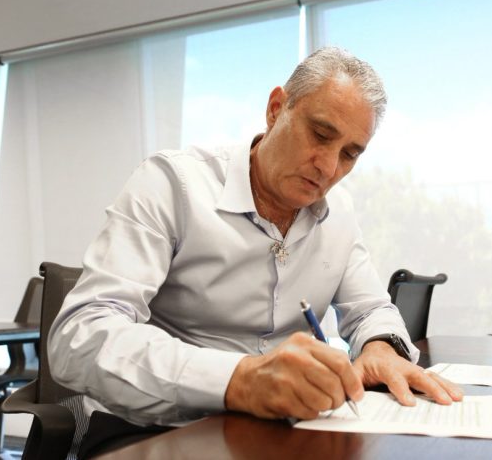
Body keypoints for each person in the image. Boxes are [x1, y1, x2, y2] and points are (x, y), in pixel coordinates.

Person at [48, 47, 462, 441]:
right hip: (155, 432)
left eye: (350, 154)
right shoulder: (172, 184)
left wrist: (381, 347)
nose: (328, 167)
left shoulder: (339, 211)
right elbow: (78, 339)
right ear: (277, 108)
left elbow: (370, 309)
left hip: (276, 432)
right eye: (320, 134)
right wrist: (241, 380)